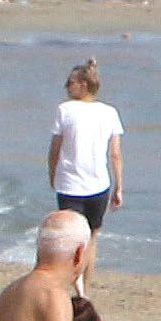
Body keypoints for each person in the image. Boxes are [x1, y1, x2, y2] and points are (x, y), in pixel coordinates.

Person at [43, 59, 123, 234]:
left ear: (83, 85)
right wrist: (118, 187)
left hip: (69, 184)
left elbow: (54, 150)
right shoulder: (110, 112)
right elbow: (115, 154)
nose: (66, 87)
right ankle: (89, 263)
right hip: (99, 184)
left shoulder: (65, 110)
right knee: (92, 236)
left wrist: (52, 175)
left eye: (70, 83)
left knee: (70, 235)